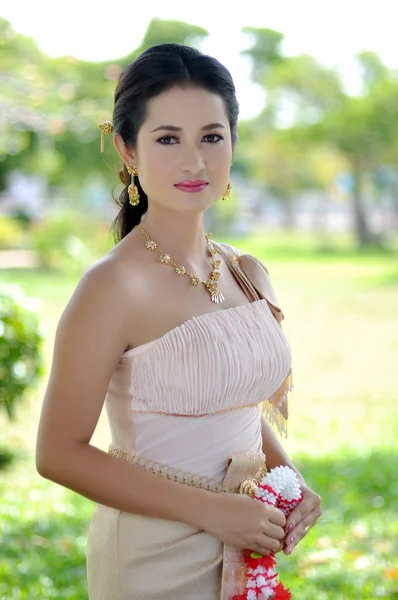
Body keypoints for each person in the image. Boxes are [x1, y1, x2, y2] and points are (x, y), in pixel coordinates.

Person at [35, 42, 321, 599]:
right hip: (153, 557)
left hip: (243, 544)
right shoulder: (111, 287)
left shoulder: (245, 272)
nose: (194, 161)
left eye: (211, 137)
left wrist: (290, 477)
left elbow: (233, 401)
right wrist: (211, 510)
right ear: (127, 150)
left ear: (233, 144)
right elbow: (58, 452)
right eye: (168, 139)